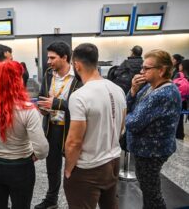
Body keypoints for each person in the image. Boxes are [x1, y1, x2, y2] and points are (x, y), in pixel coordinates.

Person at [0, 60, 49, 209]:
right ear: (19, 79)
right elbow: (42, 149)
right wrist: (33, 155)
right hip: (21, 168)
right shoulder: (27, 109)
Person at [63, 43, 126, 209]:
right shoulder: (117, 90)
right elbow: (121, 127)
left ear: (77, 65)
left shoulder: (80, 96)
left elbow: (74, 142)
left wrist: (69, 169)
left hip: (87, 168)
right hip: (113, 161)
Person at [126, 50, 181, 209]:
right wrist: (133, 91)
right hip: (145, 149)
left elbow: (133, 122)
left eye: (146, 68)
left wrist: (126, 116)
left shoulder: (164, 93)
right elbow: (129, 105)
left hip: (152, 151)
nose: (141, 72)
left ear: (162, 70)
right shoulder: (149, 87)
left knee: (152, 194)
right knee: (148, 189)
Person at [35, 41, 82, 209]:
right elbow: (42, 97)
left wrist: (57, 104)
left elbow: (83, 105)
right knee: (52, 167)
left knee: (74, 168)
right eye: (48, 57)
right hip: (51, 127)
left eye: (52, 58)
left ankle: (76, 202)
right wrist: (43, 108)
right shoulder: (49, 74)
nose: (48, 61)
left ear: (65, 57)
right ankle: (51, 199)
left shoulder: (78, 77)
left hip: (71, 128)